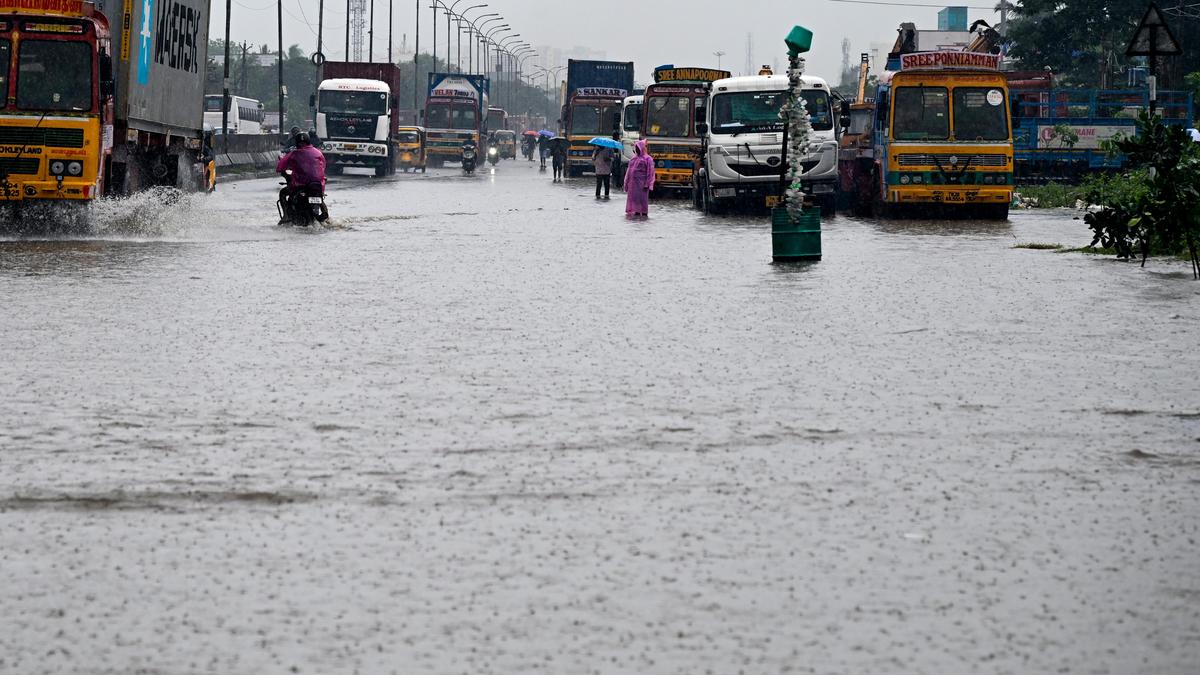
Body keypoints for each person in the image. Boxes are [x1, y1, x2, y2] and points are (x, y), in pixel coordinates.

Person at [276, 132, 326, 219]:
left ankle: (286, 216)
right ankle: (326, 214)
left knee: (282, 193)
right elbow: (324, 166)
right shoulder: (318, 153)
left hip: (301, 185)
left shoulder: (294, 154)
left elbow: (280, 167)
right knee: (320, 196)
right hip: (318, 185)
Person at [623, 139, 654, 217]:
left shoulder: (648, 159)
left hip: (642, 183)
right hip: (633, 184)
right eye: (635, 148)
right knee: (634, 199)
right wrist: (626, 183)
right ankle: (636, 212)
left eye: (638, 148)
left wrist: (648, 183)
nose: (636, 150)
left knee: (643, 199)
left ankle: (643, 213)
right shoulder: (633, 159)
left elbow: (650, 172)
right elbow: (628, 172)